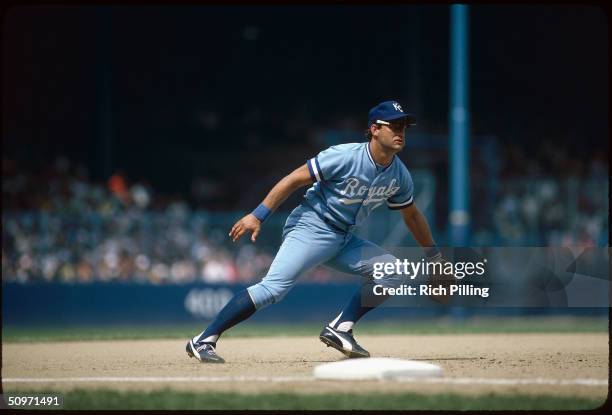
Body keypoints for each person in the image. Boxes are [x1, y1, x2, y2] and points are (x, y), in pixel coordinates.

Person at [186, 100, 443, 363]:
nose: (401, 131)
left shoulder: (399, 175)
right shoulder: (345, 156)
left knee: (394, 272)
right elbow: (294, 178)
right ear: (375, 129)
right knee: (272, 290)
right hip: (310, 226)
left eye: (405, 126)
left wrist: (434, 257)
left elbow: (411, 214)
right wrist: (258, 215)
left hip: (343, 238)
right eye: (394, 125)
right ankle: (203, 340)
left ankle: (340, 328)